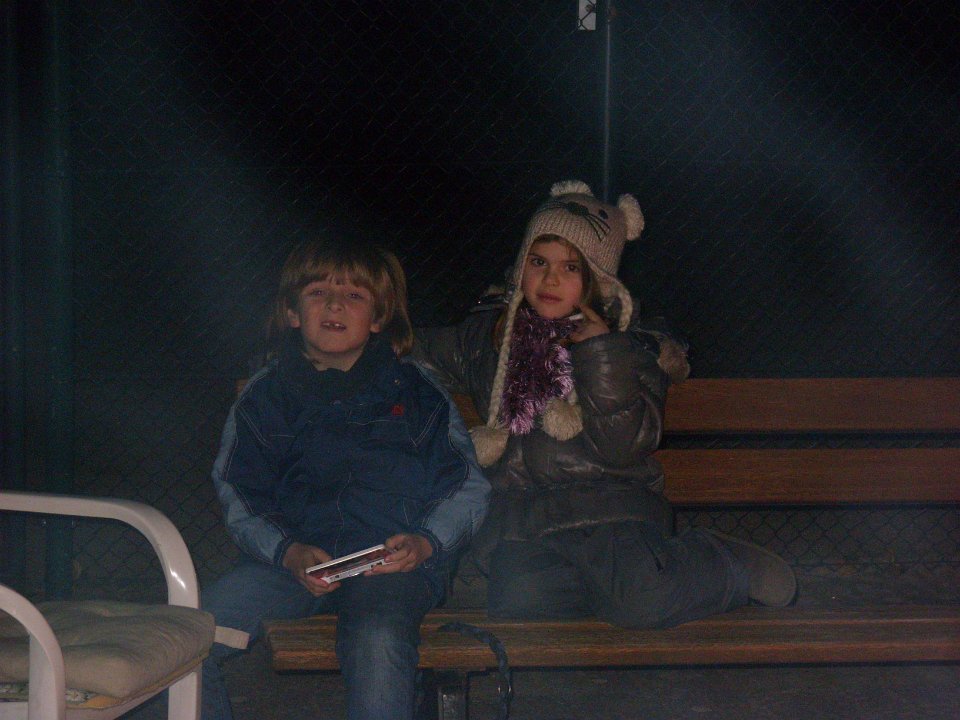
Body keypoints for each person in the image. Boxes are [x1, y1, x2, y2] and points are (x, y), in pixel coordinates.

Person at [413, 180, 796, 628]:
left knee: (644, 600)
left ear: (599, 280)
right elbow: (415, 349)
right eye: (539, 262)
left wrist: (600, 355)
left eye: (571, 267)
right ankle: (621, 588)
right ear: (520, 268)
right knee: (519, 601)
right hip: (525, 521)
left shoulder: (629, 346)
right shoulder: (489, 339)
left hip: (611, 511)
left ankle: (723, 562)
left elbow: (624, 445)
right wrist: (358, 334)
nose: (551, 279)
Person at [202, 238, 490, 720]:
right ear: (292, 313)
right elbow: (239, 491)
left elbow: (466, 486)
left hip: (390, 566)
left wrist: (425, 542)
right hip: (292, 564)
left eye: (354, 295)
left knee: (378, 639)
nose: (334, 304)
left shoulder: (416, 392)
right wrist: (286, 550)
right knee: (185, 635)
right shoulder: (265, 397)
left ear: (378, 319)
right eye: (317, 292)